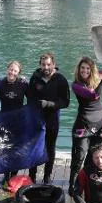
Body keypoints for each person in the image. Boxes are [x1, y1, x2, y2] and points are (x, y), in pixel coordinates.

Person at [68, 56, 102, 195]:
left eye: (88, 68)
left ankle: (87, 183)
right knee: (79, 157)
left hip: (100, 125)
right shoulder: (76, 85)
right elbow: (93, 95)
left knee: (94, 157)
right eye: (82, 68)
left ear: (91, 70)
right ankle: (72, 186)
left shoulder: (96, 77)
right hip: (83, 126)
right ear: (78, 69)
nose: (85, 70)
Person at [27, 52, 70, 184]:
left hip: (52, 118)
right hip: (37, 118)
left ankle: (47, 175)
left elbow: (65, 102)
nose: (46, 67)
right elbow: (29, 97)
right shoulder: (35, 78)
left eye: (48, 64)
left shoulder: (61, 79)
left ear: (54, 65)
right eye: (43, 65)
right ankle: (32, 175)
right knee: (34, 146)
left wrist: (48, 104)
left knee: (50, 147)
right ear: (40, 65)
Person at [0, 60, 29, 184]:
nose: (12, 72)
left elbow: (32, 99)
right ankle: (6, 175)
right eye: (10, 69)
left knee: (16, 149)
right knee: (5, 149)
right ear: (7, 69)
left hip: (19, 121)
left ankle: (13, 175)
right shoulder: (0, 84)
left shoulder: (23, 84)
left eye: (15, 71)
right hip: (4, 121)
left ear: (18, 73)